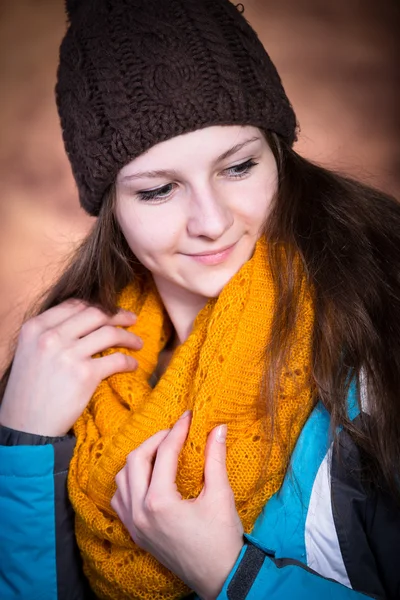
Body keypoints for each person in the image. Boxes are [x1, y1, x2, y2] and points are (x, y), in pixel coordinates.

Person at [0, 0, 399, 598]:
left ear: (278, 156)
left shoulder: (379, 338)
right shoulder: (63, 379)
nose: (211, 221)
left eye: (238, 167)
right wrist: (25, 446)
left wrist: (231, 577)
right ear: (112, 211)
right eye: (159, 190)